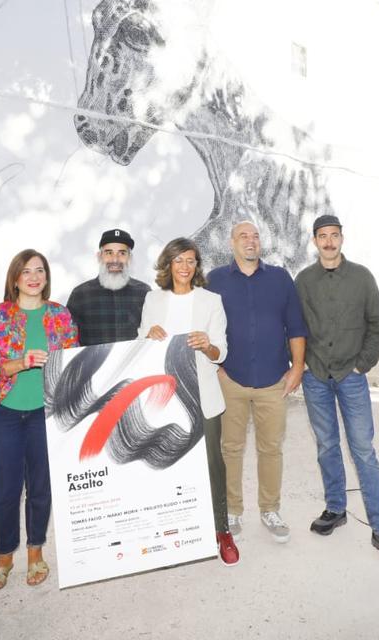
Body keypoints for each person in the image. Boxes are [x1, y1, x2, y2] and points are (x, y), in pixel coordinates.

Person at [293, 215, 379, 566]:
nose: (329, 242)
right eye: (322, 236)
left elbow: (377, 324)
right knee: (327, 444)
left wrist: (363, 364)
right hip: (316, 377)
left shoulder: (361, 277)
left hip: (351, 376)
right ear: (315, 241)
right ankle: (335, 508)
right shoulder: (304, 280)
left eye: (334, 236)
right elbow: (294, 325)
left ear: (342, 238)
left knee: (363, 449)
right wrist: (303, 363)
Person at [0, 249, 80, 591]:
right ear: (15, 278)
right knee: (4, 489)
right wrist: (22, 362)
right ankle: (4, 556)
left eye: (40, 271)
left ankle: (36, 552)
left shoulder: (61, 317)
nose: (34, 277)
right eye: (27, 271)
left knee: (40, 487)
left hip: (44, 414)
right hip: (3, 413)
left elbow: (73, 365)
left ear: (46, 278)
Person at [139, 237, 240, 566]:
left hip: (203, 396)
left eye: (191, 261)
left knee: (212, 465)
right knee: (166, 462)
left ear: (197, 266)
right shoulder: (153, 300)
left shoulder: (211, 300)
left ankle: (221, 530)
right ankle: (173, 535)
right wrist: (147, 336)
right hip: (164, 398)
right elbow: (141, 344)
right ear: (167, 264)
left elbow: (221, 351)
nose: (185, 266)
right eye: (178, 260)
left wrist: (208, 345)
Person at [206, 221, 308, 543]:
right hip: (231, 380)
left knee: (271, 448)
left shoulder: (279, 279)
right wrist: (216, 369)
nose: (250, 241)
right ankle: (232, 509)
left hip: (273, 381)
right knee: (231, 448)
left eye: (255, 236)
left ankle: (270, 509)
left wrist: (298, 368)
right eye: (243, 236)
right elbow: (206, 328)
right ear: (231, 243)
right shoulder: (215, 280)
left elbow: (296, 326)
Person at [67, 228, 151, 346]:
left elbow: (152, 336)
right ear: (99, 256)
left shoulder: (144, 292)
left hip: (136, 364)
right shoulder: (80, 294)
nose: (115, 259)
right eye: (109, 253)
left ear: (130, 258)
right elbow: (68, 340)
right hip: (93, 365)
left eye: (122, 253)